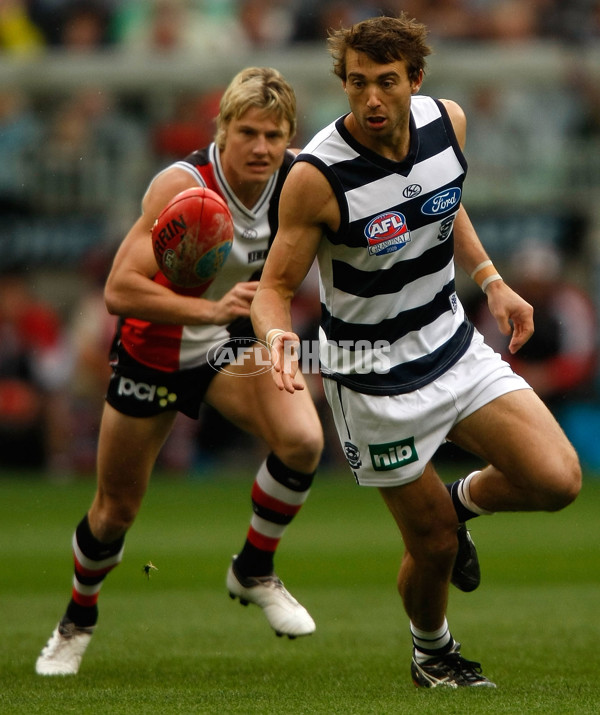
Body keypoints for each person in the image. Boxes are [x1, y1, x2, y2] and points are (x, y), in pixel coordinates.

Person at [250, 15, 581, 689]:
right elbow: (272, 288)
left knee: (558, 479)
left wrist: (493, 282)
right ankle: (434, 653)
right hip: (370, 375)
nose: (373, 99)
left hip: (451, 342)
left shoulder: (447, 122)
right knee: (429, 544)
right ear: (342, 83)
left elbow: (441, 200)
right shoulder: (316, 176)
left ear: (416, 81)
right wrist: (277, 334)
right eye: (358, 83)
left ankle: (458, 502)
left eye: (388, 83)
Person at [35, 67, 324, 676]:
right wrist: (208, 308)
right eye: (248, 132)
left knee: (302, 441)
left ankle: (254, 568)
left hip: (228, 347)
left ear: (290, 136)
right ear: (221, 129)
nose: (261, 148)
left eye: (274, 135)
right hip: (157, 348)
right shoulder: (184, 184)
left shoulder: (300, 181)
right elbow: (119, 289)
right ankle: (76, 620)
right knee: (116, 509)